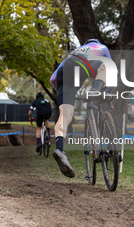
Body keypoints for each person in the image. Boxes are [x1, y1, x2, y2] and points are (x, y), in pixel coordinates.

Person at [50, 39, 116, 178]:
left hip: (65, 72)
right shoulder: (101, 46)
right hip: (85, 66)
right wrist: (108, 93)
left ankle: (60, 150)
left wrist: (65, 95)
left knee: (65, 115)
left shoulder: (74, 52)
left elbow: (53, 79)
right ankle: (95, 92)